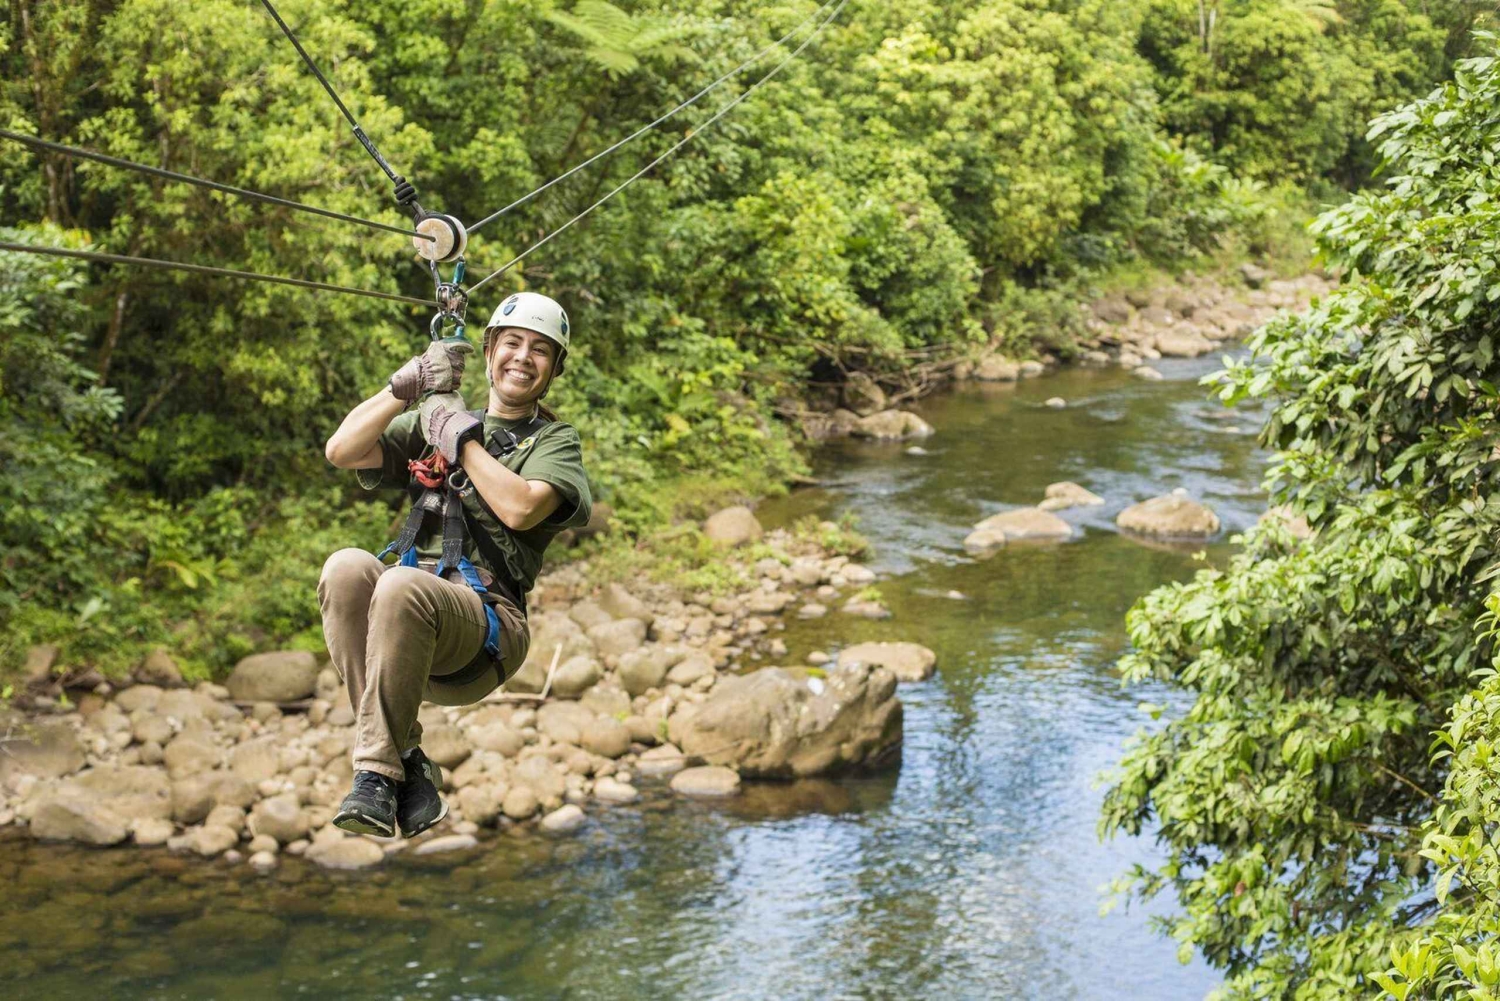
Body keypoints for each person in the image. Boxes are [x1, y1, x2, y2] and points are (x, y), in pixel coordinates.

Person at [318, 292, 591, 837]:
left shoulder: (554, 441)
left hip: (487, 631)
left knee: (399, 585)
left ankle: (373, 774)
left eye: (540, 350)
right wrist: (407, 388)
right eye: (512, 343)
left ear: (553, 370)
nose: (522, 357)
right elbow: (342, 451)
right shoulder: (436, 423)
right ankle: (407, 766)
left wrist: (457, 438)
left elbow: (519, 507)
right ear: (489, 351)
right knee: (346, 567)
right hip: (406, 635)